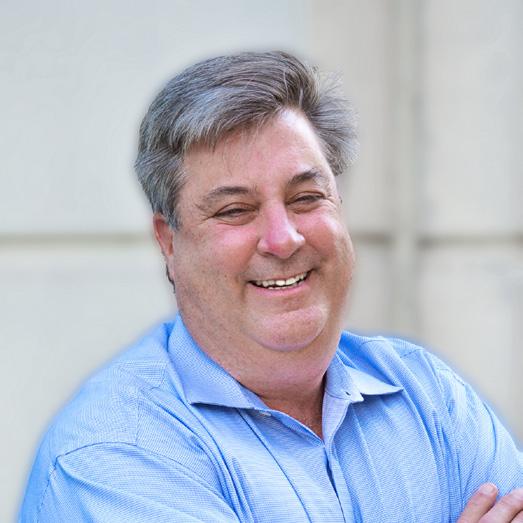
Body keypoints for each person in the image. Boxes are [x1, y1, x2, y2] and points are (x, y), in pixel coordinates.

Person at [20, 51, 522, 522]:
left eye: (306, 198)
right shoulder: (113, 452)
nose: (284, 239)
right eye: (235, 210)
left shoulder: (430, 396)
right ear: (168, 241)